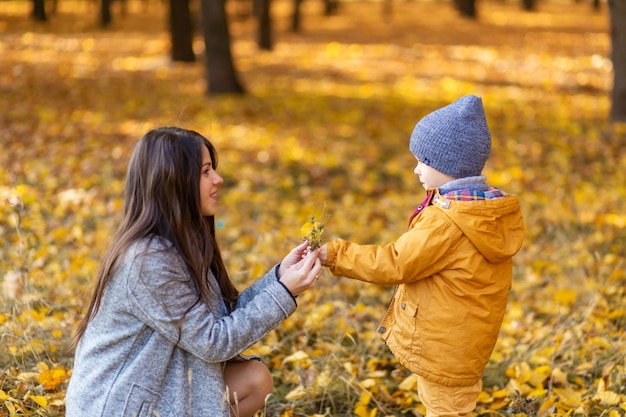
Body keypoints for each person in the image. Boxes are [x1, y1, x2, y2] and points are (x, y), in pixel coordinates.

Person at [66, 127, 322, 417]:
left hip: (162, 385)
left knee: (255, 379)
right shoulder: (147, 261)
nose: (218, 179)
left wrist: (278, 278)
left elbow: (218, 318)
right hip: (120, 406)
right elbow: (214, 341)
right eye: (205, 172)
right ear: (174, 183)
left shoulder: (181, 243)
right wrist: (284, 292)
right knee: (251, 378)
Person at [319, 95, 524, 416]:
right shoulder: (483, 209)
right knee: (451, 406)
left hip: (444, 348)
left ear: (448, 166)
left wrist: (335, 254)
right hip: (461, 345)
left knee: (445, 410)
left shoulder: (447, 221)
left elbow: (396, 262)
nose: (416, 169)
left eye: (422, 161)